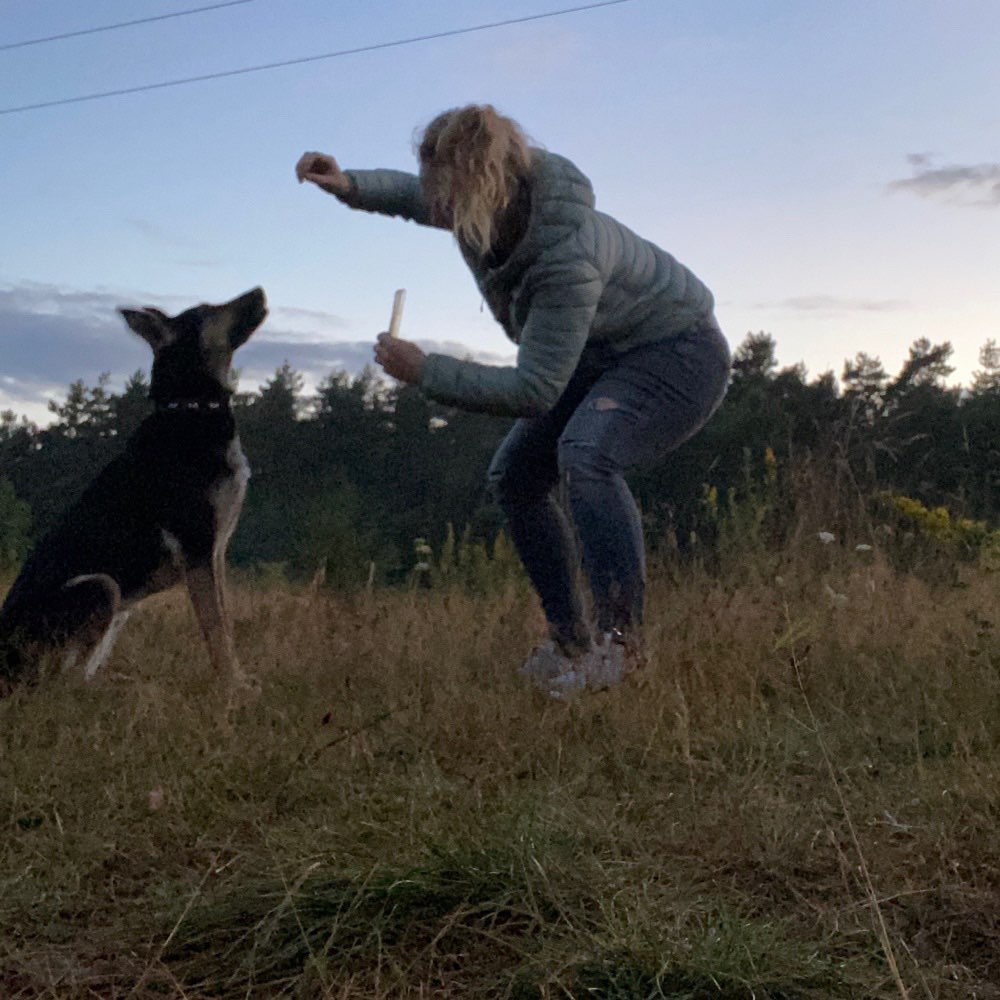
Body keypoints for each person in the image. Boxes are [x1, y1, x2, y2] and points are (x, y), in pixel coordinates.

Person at [296, 104, 730, 696]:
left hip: (677, 353)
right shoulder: (490, 203)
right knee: (516, 476)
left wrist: (427, 370)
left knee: (587, 456)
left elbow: (535, 390)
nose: (437, 210)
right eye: (436, 195)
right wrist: (349, 185)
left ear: (486, 187)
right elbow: (413, 197)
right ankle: (570, 640)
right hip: (602, 354)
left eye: (447, 198)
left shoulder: (566, 258)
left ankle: (621, 651)